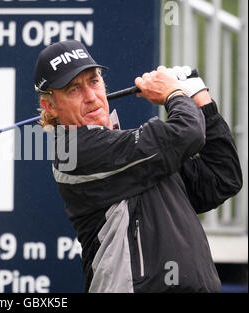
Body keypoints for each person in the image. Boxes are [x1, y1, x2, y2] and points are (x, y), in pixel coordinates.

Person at [33, 40, 242, 292]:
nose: (90, 97)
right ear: (49, 106)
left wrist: (200, 98)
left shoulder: (137, 152)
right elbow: (186, 133)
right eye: (73, 89)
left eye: (94, 81)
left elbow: (221, 178)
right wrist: (174, 93)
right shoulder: (75, 152)